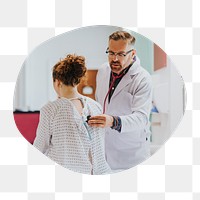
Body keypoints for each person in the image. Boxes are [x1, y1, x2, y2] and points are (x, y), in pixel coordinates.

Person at [33, 54, 111, 175]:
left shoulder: (49, 109)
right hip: (100, 171)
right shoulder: (96, 106)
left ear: (57, 82)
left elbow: (39, 148)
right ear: (77, 81)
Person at [88, 31, 153, 170]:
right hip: (104, 150)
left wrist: (112, 121)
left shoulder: (142, 78)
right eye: (111, 53)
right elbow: (100, 104)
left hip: (131, 154)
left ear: (133, 53)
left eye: (121, 54)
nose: (115, 59)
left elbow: (141, 118)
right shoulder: (102, 71)